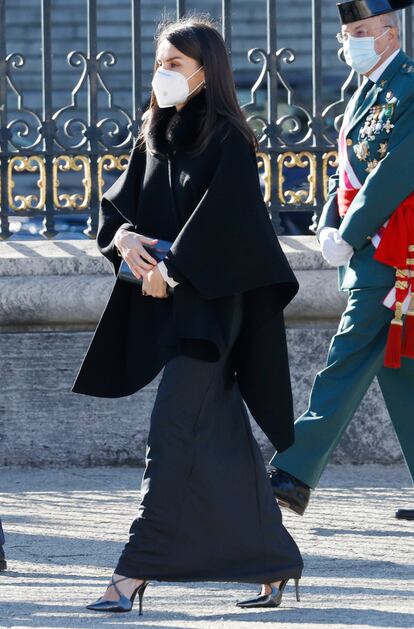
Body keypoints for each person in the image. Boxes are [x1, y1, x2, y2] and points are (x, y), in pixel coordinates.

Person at [72, 16, 303, 614]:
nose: (163, 75)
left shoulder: (228, 139)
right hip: (165, 312)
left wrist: (165, 271)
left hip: (210, 319)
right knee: (222, 439)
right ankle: (275, 564)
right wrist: (124, 242)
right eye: (160, 62)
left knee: (170, 437)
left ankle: (133, 570)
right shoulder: (155, 129)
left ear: (207, 71)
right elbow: (120, 209)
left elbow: (230, 228)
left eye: (175, 65)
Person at [269, 0, 414, 520]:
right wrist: (329, 219)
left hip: (394, 254)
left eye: (360, 30)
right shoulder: (361, 92)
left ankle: (293, 472)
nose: (349, 40)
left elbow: (397, 172)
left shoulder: (409, 86)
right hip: (366, 251)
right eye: (347, 31)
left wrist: (350, 234)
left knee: (347, 357)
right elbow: (347, 169)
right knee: (402, 371)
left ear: (389, 34)